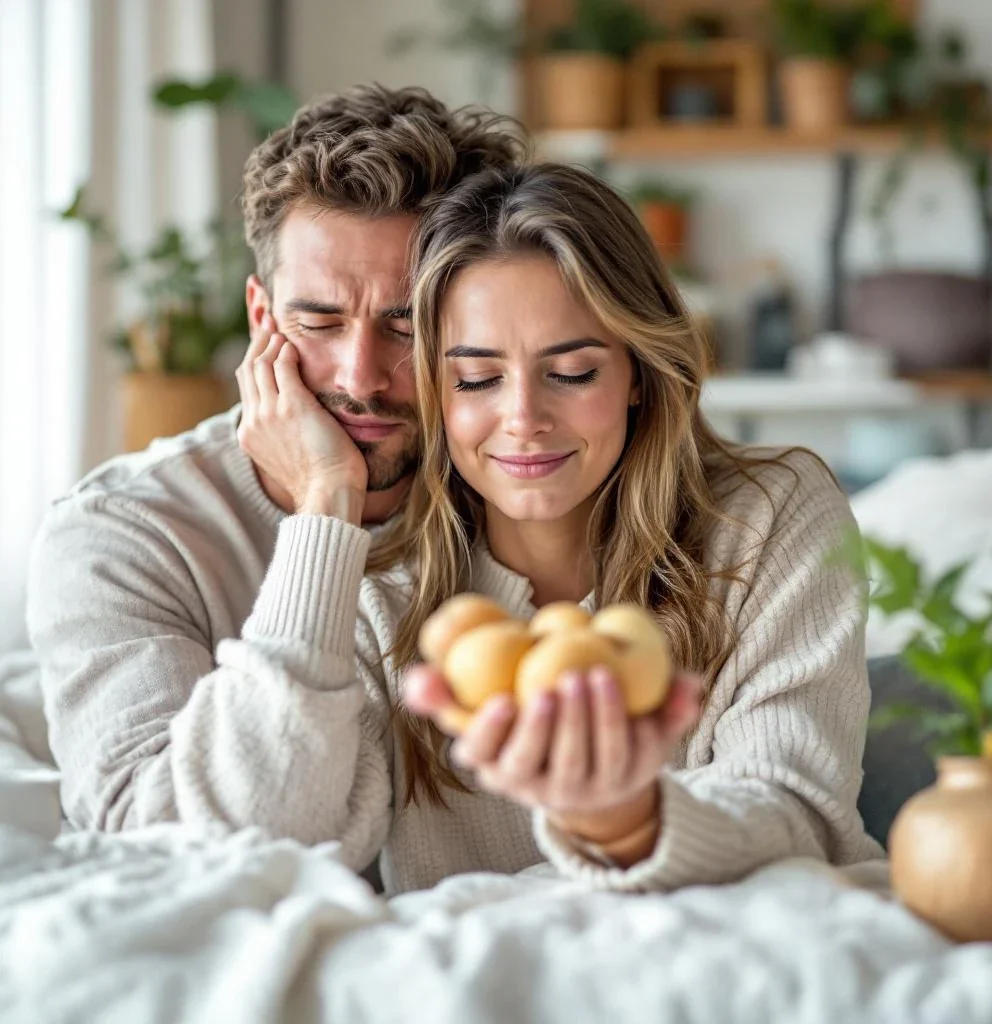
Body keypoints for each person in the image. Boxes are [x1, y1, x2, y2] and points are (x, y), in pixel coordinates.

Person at [236, 161, 884, 895]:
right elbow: (263, 844)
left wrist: (624, 819)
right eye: (477, 379)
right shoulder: (374, 589)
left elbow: (803, 816)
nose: (523, 420)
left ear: (638, 371)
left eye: (572, 372)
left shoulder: (770, 516)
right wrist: (323, 501)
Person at [26, 85, 525, 837]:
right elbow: (163, 842)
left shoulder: (533, 489)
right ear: (261, 316)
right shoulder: (119, 535)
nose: (359, 375)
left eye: (408, 324)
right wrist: (327, 506)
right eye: (319, 321)